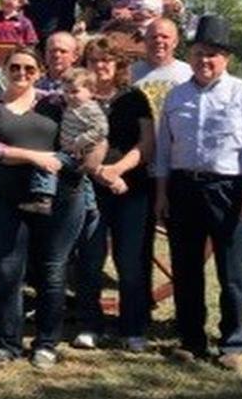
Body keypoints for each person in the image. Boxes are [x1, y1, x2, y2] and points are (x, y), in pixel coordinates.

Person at [153, 15, 242, 370]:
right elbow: (163, 150)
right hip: (183, 187)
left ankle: (232, 343)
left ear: (226, 58)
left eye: (213, 54)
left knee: (232, 271)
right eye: (199, 53)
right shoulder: (176, 96)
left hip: (229, 188)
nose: (205, 60)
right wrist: (162, 194)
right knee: (186, 267)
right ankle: (191, 339)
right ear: (190, 55)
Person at [0, 46, 93, 370]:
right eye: (15, 67)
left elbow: (83, 135)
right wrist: (35, 157)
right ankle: (7, 343)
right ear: (4, 70)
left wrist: (60, 158)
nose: (21, 73)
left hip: (59, 200)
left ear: (39, 72)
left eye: (29, 68)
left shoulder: (56, 103)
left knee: (52, 270)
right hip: (8, 200)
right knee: (7, 270)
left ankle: (46, 344)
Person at [72, 33, 156, 353]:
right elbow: (72, 142)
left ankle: (133, 327)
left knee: (130, 260)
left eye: (106, 60)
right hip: (90, 187)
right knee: (90, 257)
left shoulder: (134, 98)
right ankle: (90, 325)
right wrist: (100, 172)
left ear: (118, 64)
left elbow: (146, 143)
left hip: (131, 188)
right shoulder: (80, 99)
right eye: (94, 60)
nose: (100, 66)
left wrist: (117, 170)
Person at [21, 68, 108, 217]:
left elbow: (101, 129)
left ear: (91, 92)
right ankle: (90, 206)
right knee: (83, 179)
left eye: (75, 92)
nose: (70, 96)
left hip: (77, 151)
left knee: (47, 164)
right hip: (70, 150)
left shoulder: (90, 109)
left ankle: (44, 198)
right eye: (66, 92)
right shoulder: (71, 106)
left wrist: (80, 141)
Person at [132, 17, 192, 121]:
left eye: (165, 37)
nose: (159, 41)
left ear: (175, 42)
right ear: (145, 41)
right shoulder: (130, 72)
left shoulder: (188, 73)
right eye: (153, 37)